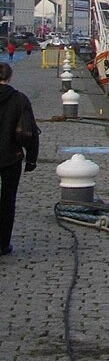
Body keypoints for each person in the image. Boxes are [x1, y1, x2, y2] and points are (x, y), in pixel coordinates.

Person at [0, 61, 39, 256]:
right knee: (8, 201)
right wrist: (31, 159)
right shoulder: (19, 99)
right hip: (11, 156)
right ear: (10, 77)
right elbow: (30, 131)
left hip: (10, 155)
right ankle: (3, 243)